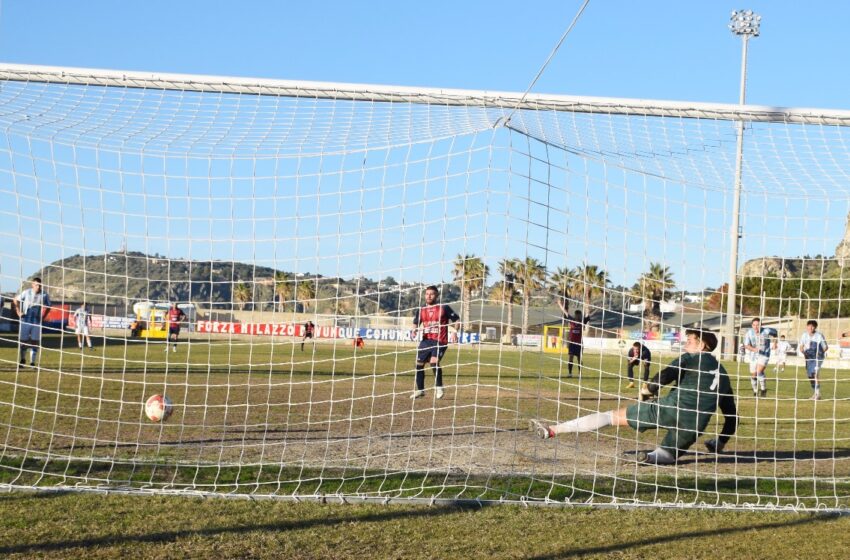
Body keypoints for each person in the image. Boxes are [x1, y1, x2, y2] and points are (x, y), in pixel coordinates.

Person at [530, 329, 738, 465]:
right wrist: (720, 442)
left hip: (670, 408)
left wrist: (648, 390)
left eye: (690, 341)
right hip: (694, 425)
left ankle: (552, 430)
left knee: (611, 417)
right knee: (667, 455)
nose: (686, 344)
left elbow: (666, 375)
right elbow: (732, 418)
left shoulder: (690, 358)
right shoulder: (726, 376)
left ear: (702, 346)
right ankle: (649, 458)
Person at [411, 285, 460, 400]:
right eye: (427, 294)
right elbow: (415, 323)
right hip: (426, 341)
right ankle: (420, 390)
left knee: (434, 362)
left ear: (437, 295)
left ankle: (439, 387)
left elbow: (456, 320)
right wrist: (414, 330)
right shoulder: (421, 310)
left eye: (431, 294)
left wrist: (454, 332)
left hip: (440, 340)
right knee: (419, 364)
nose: (429, 296)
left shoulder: (444, 308)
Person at [12, 277, 51, 367]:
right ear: (32, 285)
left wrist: (43, 317)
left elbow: (49, 306)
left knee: (34, 342)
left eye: (39, 285)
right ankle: (22, 360)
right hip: (25, 320)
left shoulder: (44, 294)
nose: (38, 287)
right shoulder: (27, 292)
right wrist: (18, 311)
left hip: (36, 321)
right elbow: (15, 300)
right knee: (23, 341)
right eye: (36, 285)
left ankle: (32, 362)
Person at [742, 317, 777, 397]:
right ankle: (755, 391)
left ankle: (763, 389)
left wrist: (775, 343)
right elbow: (746, 345)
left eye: (758, 325)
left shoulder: (767, 331)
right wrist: (754, 349)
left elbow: (775, 333)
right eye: (754, 325)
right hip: (753, 356)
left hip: (765, 354)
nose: (756, 327)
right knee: (753, 375)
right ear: (752, 326)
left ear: (761, 325)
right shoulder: (749, 333)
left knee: (759, 372)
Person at [557, 299, 590, 378]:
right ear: (575, 315)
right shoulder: (571, 320)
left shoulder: (582, 321)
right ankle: (570, 373)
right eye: (577, 315)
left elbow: (588, 315)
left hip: (579, 344)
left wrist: (590, 306)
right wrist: (559, 304)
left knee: (579, 359)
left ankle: (580, 373)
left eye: (579, 315)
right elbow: (565, 312)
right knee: (570, 358)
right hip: (572, 343)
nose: (578, 316)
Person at [798, 320, 827, 400]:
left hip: (818, 357)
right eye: (809, 326)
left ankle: (817, 394)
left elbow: (825, 347)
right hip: (808, 357)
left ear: (815, 327)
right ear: (807, 326)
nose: (810, 328)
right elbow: (801, 347)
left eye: (812, 326)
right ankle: (816, 393)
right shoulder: (804, 335)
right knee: (810, 376)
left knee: (814, 374)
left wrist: (820, 353)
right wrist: (804, 352)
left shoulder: (819, 335)